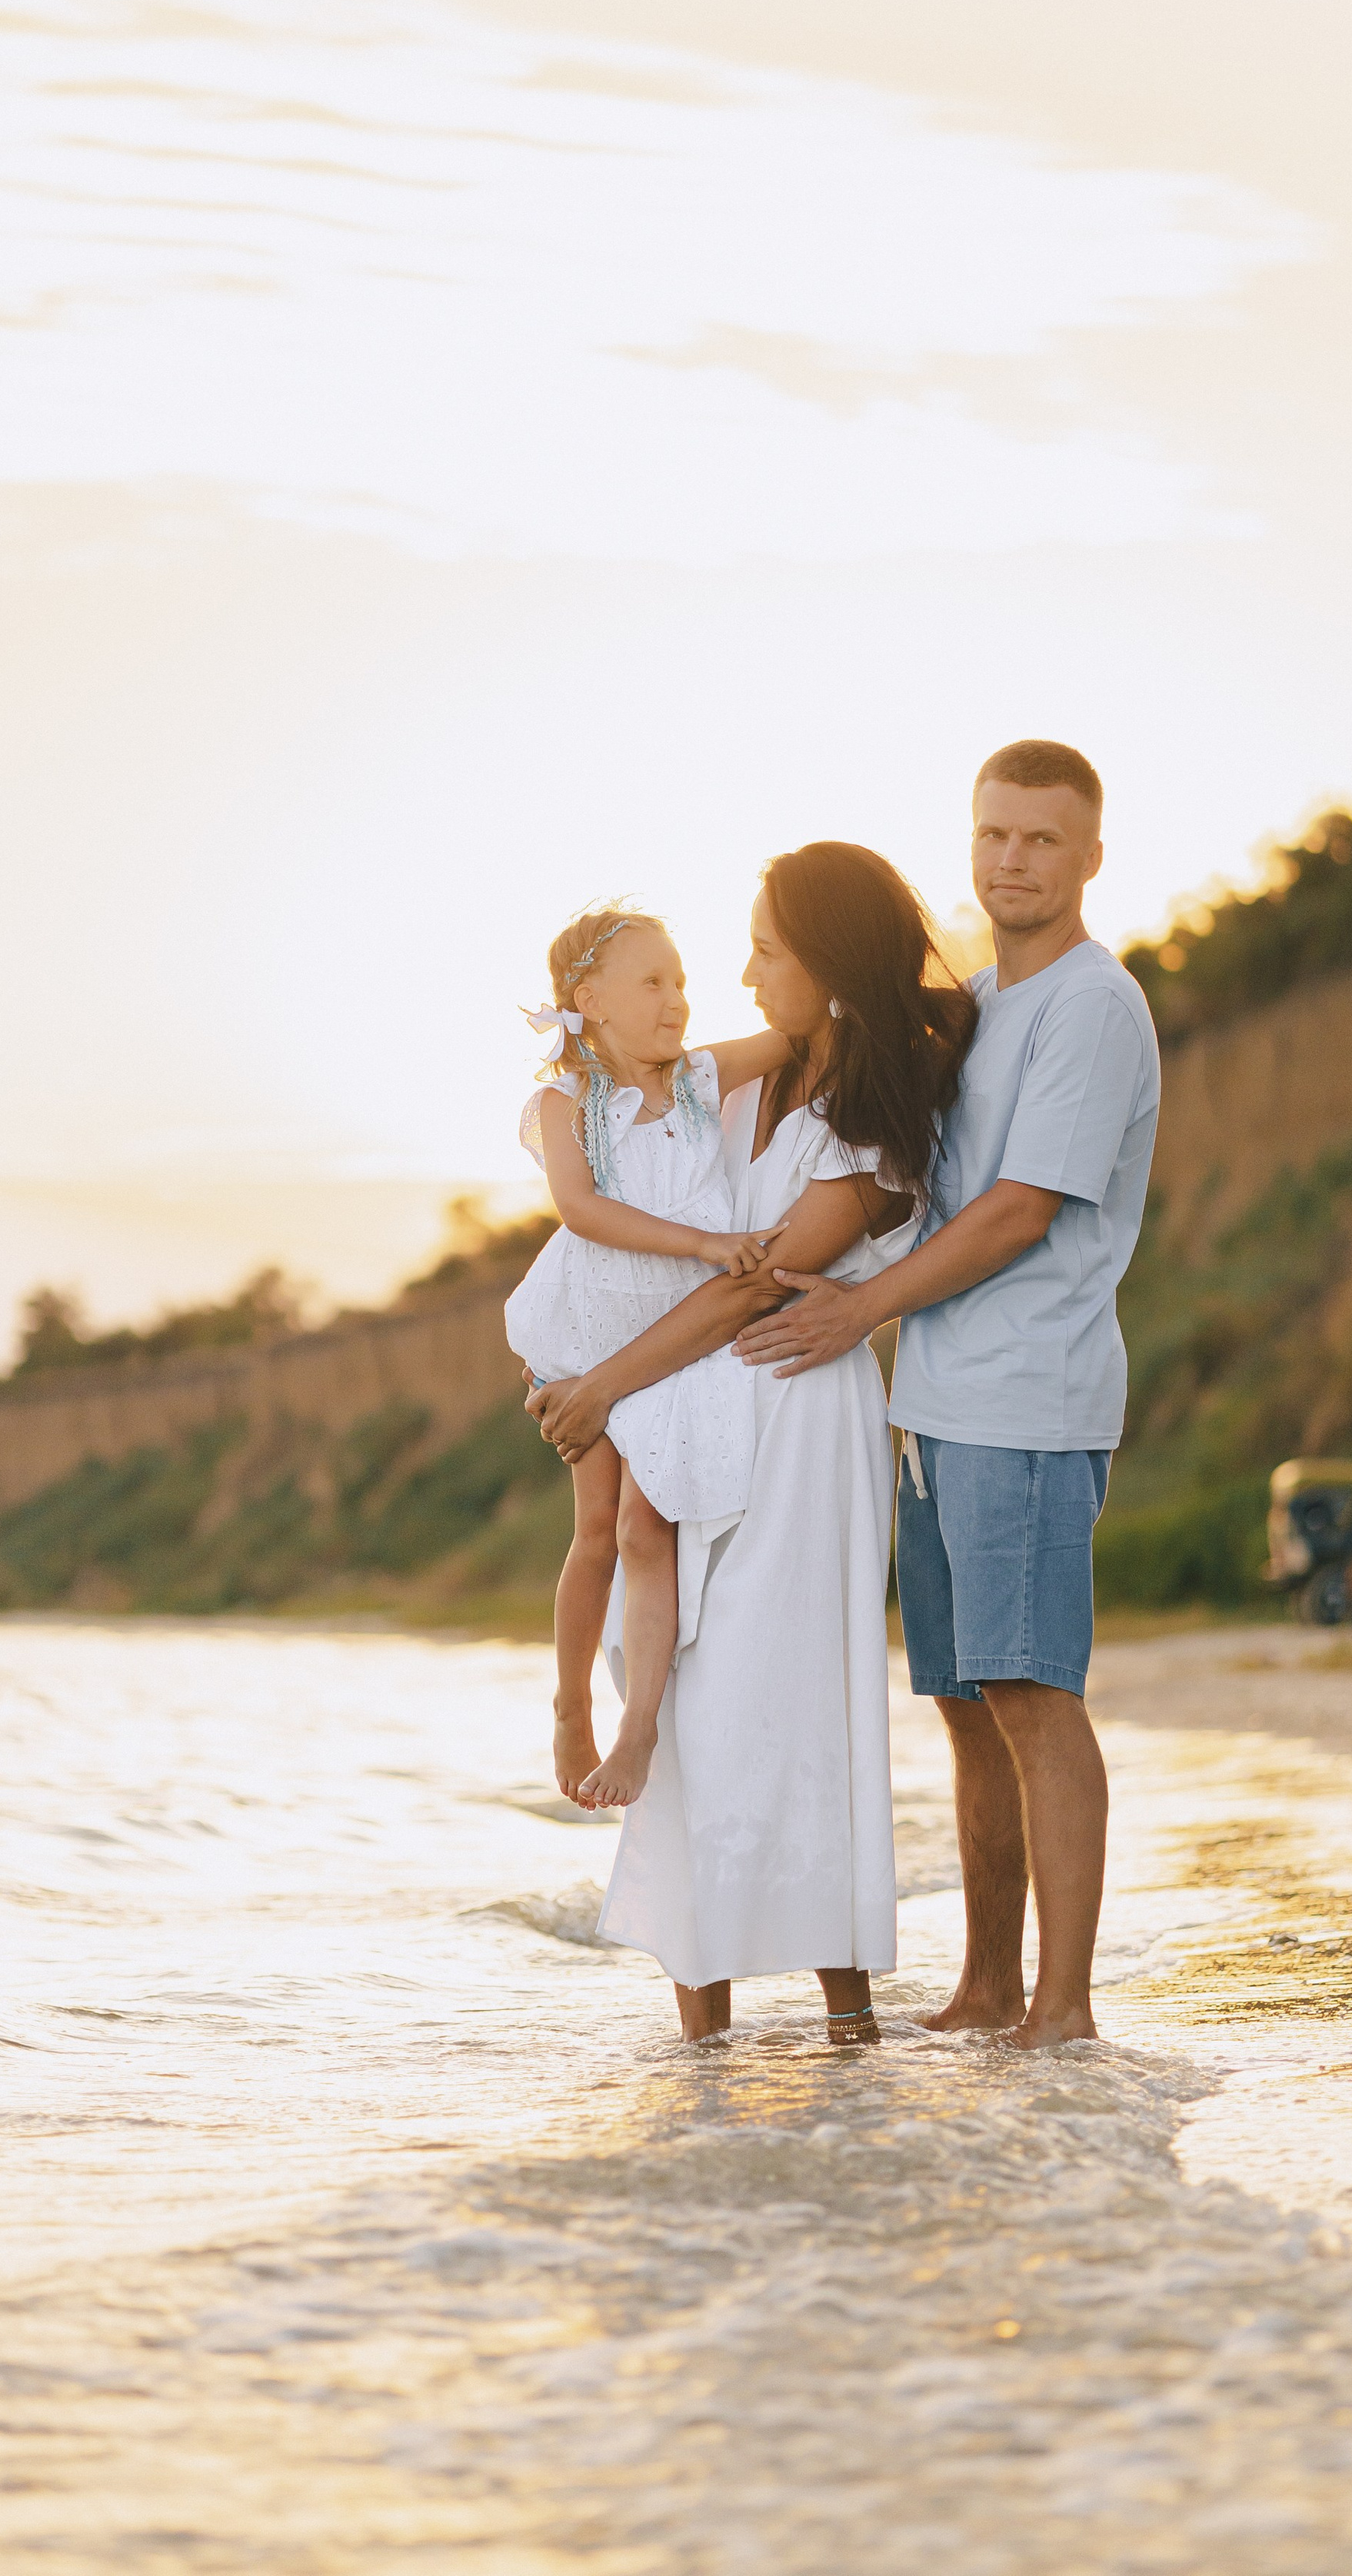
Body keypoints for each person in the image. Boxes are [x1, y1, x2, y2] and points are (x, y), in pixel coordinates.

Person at [741, 740, 1160, 2048]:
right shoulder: (979, 1004)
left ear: (1091, 857)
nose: (1013, 860)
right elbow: (808, 1040)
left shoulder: (1094, 1006)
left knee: (1035, 1697)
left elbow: (1023, 1212)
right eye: (994, 836)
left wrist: (861, 1309)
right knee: (970, 1710)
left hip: (1025, 1403)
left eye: (1042, 840)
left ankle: (1064, 2007)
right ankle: (987, 1989)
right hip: (933, 1405)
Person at [530, 846, 975, 2044]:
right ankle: (703, 2030)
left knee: (783, 1695)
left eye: (768, 950)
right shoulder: (731, 1087)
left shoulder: (871, 1120)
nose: (739, 974)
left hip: (796, 1414)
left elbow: (767, 1279)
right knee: (674, 1679)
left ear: (827, 967)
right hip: (692, 1396)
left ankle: (846, 2015)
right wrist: (596, 1374)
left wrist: (600, 1390)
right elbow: (626, 1202)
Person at [504, 907, 784, 1810]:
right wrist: (704, 1245)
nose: (679, 999)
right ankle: (570, 1702)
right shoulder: (564, 1105)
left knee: (645, 1529)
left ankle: (641, 1729)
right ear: (591, 1001)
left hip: (680, 1346)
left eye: (681, 981)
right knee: (595, 1532)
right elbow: (582, 1211)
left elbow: (798, 1033)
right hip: (590, 1332)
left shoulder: (701, 1078)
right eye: (654, 982)